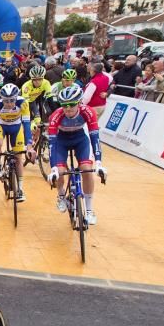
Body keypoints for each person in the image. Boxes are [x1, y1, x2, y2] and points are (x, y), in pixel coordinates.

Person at [47, 84, 106, 226]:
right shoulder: (56, 116)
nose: (67, 109)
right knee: (60, 172)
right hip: (62, 141)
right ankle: (61, 195)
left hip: (80, 140)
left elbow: (95, 138)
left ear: (79, 103)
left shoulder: (89, 111)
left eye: (72, 105)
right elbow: (52, 144)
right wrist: (53, 168)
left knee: (86, 169)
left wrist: (98, 163)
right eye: (64, 105)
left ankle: (90, 209)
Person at [0, 83, 35, 202]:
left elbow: (27, 124)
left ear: (16, 98)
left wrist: (29, 146)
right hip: (2, 127)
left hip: (16, 127)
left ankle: (20, 189)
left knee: (18, 157)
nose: (9, 103)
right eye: (6, 101)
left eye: (11, 100)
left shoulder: (23, 103)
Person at [20, 64, 53, 129]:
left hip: (32, 100)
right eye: (34, 80)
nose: (37, 82)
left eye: (40, 79)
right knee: (28, 121)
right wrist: (31, 119)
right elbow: (25, 105)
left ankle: (39, 136)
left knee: (38, 120)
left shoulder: (46, 83)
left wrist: (55, 113)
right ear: (31, 79)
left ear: (43, 78)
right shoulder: (26, 86)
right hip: (22, 103)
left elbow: (50, 100)